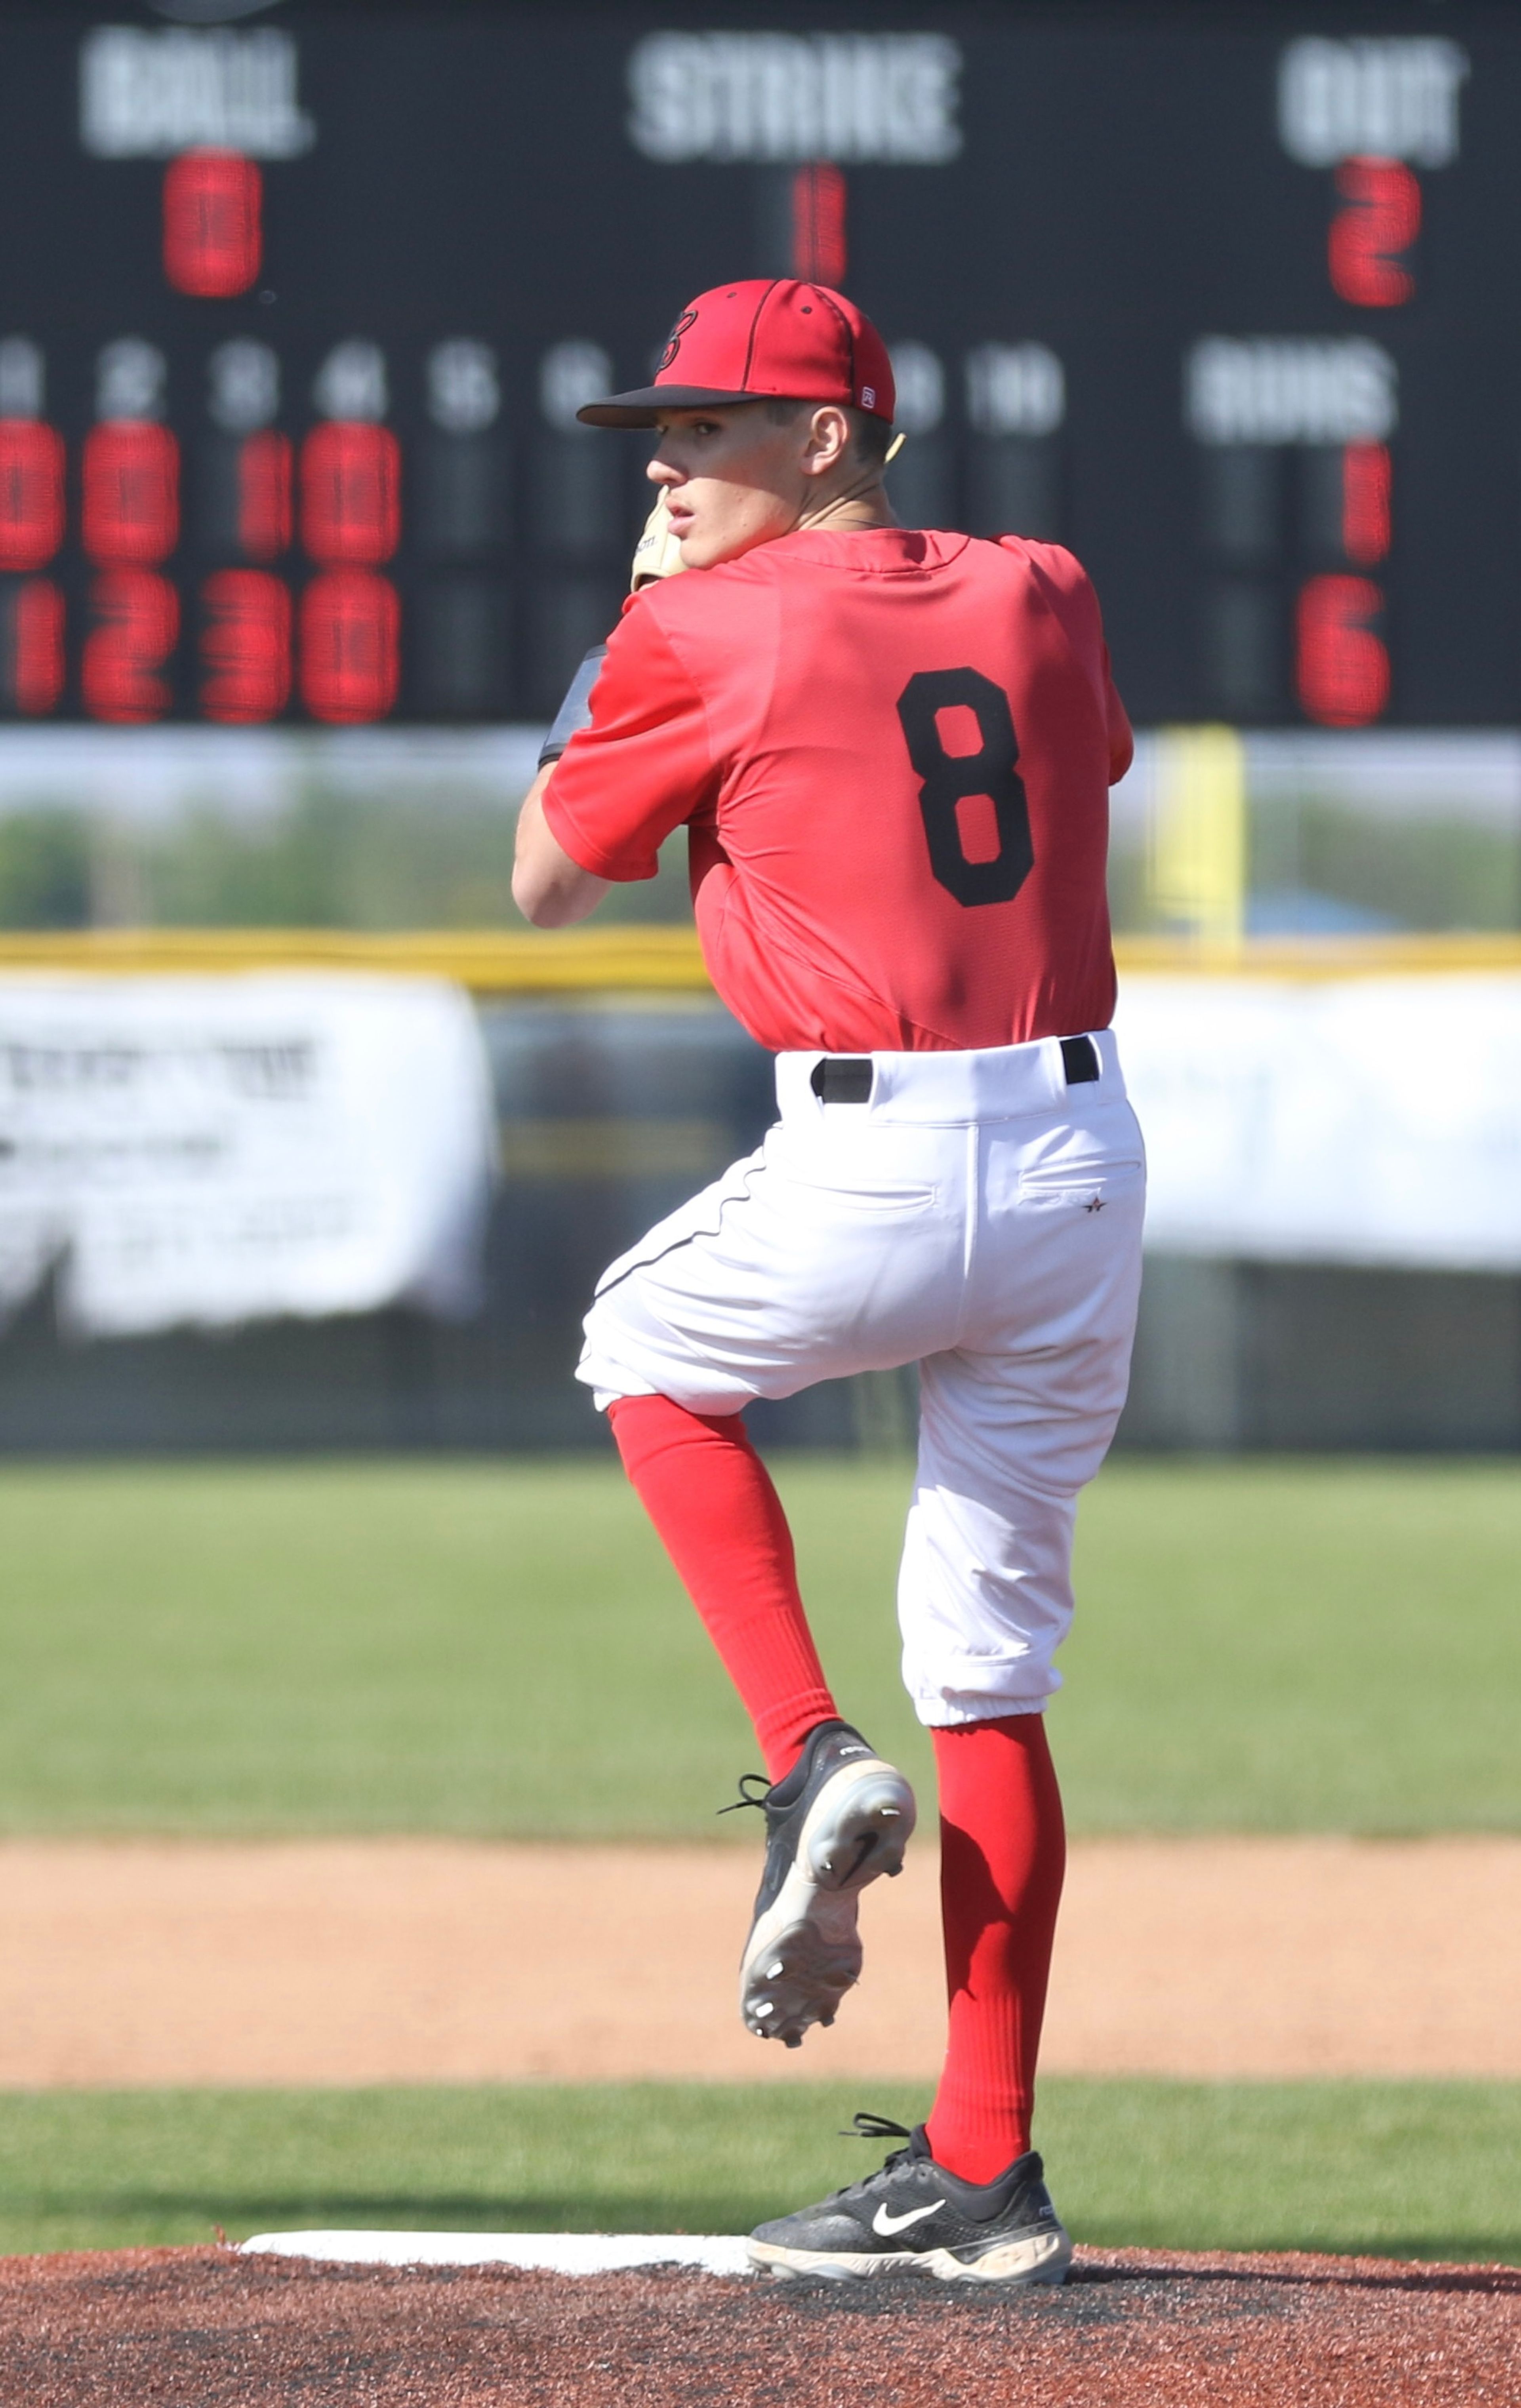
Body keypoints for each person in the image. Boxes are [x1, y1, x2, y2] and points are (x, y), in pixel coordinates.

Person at [513, 278, 1145, 2285]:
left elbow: (542, 873)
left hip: (872, 1150)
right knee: (995, 1668)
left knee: (640, 1349)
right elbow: (1063, 759)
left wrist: (629, 626)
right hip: (1074, 1156)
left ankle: (802, 1751)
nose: (676, 468)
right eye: (661, 441)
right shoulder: (1045, 583)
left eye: (713, 432)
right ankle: (985, 2170)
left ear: (833, 435)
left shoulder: (697, 620)